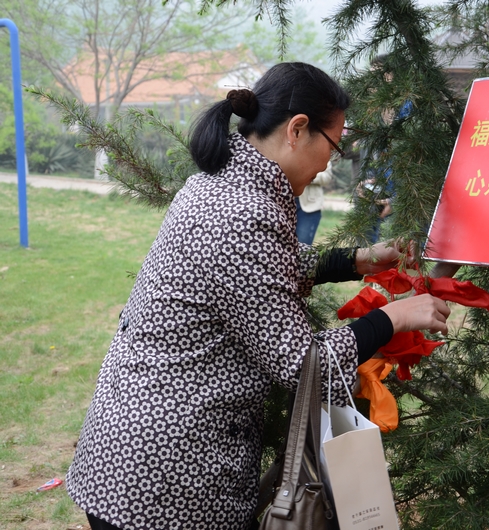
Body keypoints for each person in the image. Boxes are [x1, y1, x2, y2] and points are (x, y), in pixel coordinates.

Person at [65, 62, 451, 530]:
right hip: (169, 478)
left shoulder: (223, 184)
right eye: (333, 144)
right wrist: (394, 317)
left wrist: (354, 260)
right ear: (297, 130)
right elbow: (305, 365)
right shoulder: (244, 213)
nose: (331, 160)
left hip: (133, 450)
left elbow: (259, 275)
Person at [295, 160, 333, 244]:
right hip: (281, 203)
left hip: (310, 206)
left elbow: (326, 177)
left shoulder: (321, 151)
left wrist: (306, 174)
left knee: (302, 245)